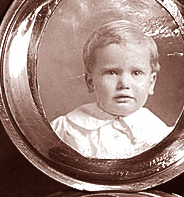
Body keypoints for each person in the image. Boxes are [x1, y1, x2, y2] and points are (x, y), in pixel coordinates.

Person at [51, 20, 173, 159]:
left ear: (151, 82)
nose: (124, 84)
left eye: (136, 73)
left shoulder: (161, 135)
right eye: (112, 72)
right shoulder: (64, 129)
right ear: (90, 81)